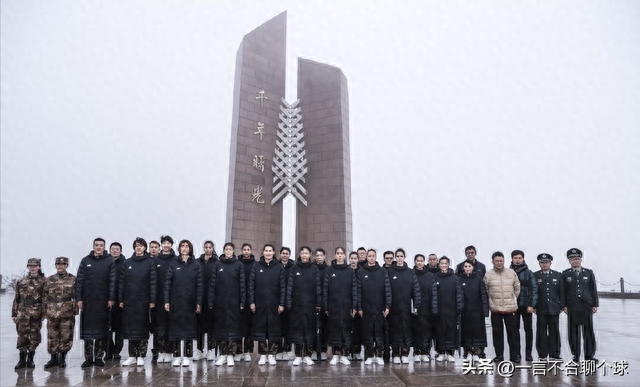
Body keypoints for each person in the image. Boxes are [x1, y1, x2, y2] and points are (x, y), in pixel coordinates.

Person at [76, 238, 116, 368]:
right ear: (93, 246)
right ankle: (88, 358)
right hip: (88, 301)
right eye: (96, 245)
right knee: (88, 332)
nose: (98, 247)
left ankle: (99, 357)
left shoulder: (109, 261)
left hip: (103, 301)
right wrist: (79, 299)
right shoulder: (85, 261)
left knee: (101, 331)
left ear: (104, 247)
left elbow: (112, 281)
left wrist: (111, 298)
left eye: (101, 245)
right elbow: (79, 281)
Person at [119, 238, 156, 367]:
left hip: (143, 301)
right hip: (129, 300)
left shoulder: (150, 262)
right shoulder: (127, 263)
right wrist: (121, 299)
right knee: (130, 329)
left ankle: (141, 355)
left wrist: (152, 300)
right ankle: (132, 355)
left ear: (145, 248)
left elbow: (153, 282)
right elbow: (121, 283)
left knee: (142, 329)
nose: (139, 248)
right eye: (137, 246)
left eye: (141, 246)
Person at [165, 239, 202, 367]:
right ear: (179, 248)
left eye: (187, 246)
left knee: (189, 330)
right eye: (182, 246)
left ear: (190, 249)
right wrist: (167, 301)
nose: (185, 248)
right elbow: (167, 284)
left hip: (190, 302)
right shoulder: (173, 264)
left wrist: (198, 302)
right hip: (175, 301)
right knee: (175, 330)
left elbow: (199, 285)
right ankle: (176, 356)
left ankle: (186, 356)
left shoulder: (196, 265)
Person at [209, 242, 245, 367]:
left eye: (230, 249)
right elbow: (212, 284)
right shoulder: (217, 264)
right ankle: (222, 354)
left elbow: (242, 284)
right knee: (221, 330)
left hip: (234, 303)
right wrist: (211, 300)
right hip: (220, 302)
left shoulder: (239, 265)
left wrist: (242, 301)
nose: (228, 251)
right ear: (223, 251)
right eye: (226, 249)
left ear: (233, 251)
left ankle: (231, 355)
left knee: (233, 330)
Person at [250, 244, 285, 366]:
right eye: (266, 251)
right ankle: (263, 355)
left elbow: (282, 287)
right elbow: (251, 286)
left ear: (274, 253)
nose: (268, 253)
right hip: (260, 304)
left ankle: (271, 354)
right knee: (261, 330)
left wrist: (281, 303)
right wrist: (252, 302)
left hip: (274, 304)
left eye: (270, 251)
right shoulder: (256, 266)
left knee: (273, 330)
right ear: (263, 252)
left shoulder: (279, 267)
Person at [286, 246, 321, 366]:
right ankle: (297, 355)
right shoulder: (293, 268)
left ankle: (307, 355)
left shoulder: (314, 269)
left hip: (310, 306)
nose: (305, 255)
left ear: (310, 254)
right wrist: (289, 303)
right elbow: (289, 287)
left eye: (307, 253)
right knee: (297, 331)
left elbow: (318, 287)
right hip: (297, 306)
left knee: (309, 331)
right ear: (300, 254)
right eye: (302, 253)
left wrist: (318, 303)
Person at [562, 248, 598, 362]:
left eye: (577, 258)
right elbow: (563, 291)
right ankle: (575, 355)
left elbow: (593, 289)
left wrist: (595, 304)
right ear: (569, 261)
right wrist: (564, 305)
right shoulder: (565, 274)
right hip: (572, 306)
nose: (575, 261)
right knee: (573, 332)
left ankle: (589, 355)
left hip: (586, 306)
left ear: (581, 259)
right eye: (572, 259)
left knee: (588, 331)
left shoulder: (588, 272)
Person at [484, 251, 520, 363]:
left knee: (513, 334)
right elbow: (485, 291)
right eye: (497, 261)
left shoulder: (511, 272)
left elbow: (517, 288)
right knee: (497, 335)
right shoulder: (488, 275)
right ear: (493, 262)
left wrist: (512, 299)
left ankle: (515, 355)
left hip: (510, 309)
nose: (499, 263)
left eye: (501, 261)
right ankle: (499, 355)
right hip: (496, 310)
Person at [357, 249, 391, 366]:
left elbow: (387, 290)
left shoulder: (382, 272)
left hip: (380, 308)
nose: (371, 258)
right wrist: (359, 307)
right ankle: (370, 355)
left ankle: (379, 355)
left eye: (373, 256)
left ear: (376, 257)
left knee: (379, 333)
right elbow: (358, 291)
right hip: (366, 308)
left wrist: (387, 306)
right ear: (366, 257)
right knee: (368, 333)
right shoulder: (361, 272)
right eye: (369, 256)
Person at [43, 256, 77, 369]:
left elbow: (76, 296)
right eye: (58, 264)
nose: (60, 266)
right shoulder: (49, 280)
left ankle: (62, 358)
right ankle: (53, 359)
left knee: (66, 336)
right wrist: (44, 311)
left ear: (67, 265)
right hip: (52, 312)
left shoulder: (73, 279)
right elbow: (44, 296)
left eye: (63, 264)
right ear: (55, 265)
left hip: (67, 312)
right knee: (52, 335)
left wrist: (74, 311)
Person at [324, 247, 357, 365]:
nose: (339, 255)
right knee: (334, 331)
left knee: (346, 331)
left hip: (346, 306)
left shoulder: (350, 271)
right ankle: (335, 355)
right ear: (335, 255)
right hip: (333, 306)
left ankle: (344, 355)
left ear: (344, 256)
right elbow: (325, 289)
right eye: (337, 253)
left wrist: (354, 306)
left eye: (341, 253)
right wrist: (326, 306)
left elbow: (354, 289)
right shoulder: (329, 270)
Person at [388, 248, 421, 364]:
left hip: (407, 307)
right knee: (395, 330)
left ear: (404, 257)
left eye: (401, 256)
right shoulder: (390, 272)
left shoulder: (410, 272)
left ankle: (405, 353)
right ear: (395, 258)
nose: (399, 258)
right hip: (394, 307)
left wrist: (416, 305)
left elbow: (416, 289)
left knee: (406, 330)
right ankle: (396, 353)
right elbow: (387, 289)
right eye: (398, 256)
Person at [12, 258, 46, 370]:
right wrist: (14, 313)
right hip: (22, 312)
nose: (33, 268)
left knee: (34, 336)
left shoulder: (44, 281)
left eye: (35, 266)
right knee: (22, 336)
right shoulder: (21, 281)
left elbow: (45, 299)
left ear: (39, 267)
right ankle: (22, 360)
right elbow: (17, 298)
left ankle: (30, 359)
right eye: (30, 266)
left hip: (36, 312)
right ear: (28, 267)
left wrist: (44, 313)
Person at [432, 256, 463, 362]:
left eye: (445, 264)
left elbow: (459, 293)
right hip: (439, 310)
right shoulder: (435, 277)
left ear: (448, 265)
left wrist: (459, 308)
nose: (443, 266)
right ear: (439, 265)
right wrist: (434, 308)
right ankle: (441, 352)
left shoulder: (454, 278)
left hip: (451, 309)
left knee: (451, 331)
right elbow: (433, 294)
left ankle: (450, 352)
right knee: (440, 331)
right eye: (442, 264)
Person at [533, 253, 564, 362]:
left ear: (550, 263)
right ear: (539, 263)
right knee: (541, 331)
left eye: (546, 262)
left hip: (554, 308)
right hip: (541, 308)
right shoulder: (535, 275)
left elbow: (561, 292)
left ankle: (554, 354)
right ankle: (542, 354)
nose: (544, 264)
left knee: (554, 331)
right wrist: (534, 306)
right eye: (542, 262)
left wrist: (561, 305)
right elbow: (533, 292)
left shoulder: (557, 275)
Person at [151, 235, 176, 363]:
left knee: (170, 326)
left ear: (171, 245)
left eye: (168, 243)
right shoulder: (155, 261)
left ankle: (169, 351)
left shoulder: (176, 260)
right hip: (159, 298)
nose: (166, 245)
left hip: (173, 298)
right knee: (159, 327)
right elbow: (153, 281)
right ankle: (160, 351)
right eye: (164, 243)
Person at [510, 249, 538, 361]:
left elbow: (534, 289)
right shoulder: (508, 272)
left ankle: (528, 353)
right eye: (515, 258)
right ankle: (516, 354)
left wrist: (532, 304)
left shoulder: (528, 272)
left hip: (526, 306)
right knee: (514, 331)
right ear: (512, 259)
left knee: (528, 330)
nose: (517, 260)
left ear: (523, 259)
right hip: (513, 307)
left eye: (519, 258)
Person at [459, 260, 489, 361]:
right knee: (466, 331)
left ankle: (477, 351)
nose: (467, 268)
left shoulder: (479, 279)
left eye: (469, 266)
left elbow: (483, 295)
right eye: (466, 266)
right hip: (464, 311)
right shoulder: (459, 279)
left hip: (477, 310)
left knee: (477, 331)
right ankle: (467, 351)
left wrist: (485, 310)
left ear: (473, 268)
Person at [194, 240, 218, 361]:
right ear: (203, 248)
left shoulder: (217, 262)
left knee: (211, 325)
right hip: (200, 297)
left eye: (210, 247)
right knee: (199, 325)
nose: (208, 249)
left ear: (213, 248)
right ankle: (199, 349)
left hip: (212, 298)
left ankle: (210, 349)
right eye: (206, 247)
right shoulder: (198, 262)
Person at [412, 254, 435, 362]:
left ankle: (426, 351)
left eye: (421, 261)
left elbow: (433, 292)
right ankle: (417, 351)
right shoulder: (411, 274)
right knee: (416, 329)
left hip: (427, 306)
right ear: (415, 262)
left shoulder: (429, 275)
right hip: (415, 307)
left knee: (427, 330)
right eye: (418, 261)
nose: (420, 263)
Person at [107, 242, 125, 361]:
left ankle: (117, 351)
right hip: (107, 300)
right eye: (112, 249)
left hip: (120, 301)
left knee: (120, 328)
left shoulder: (125, 264)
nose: (114, 251)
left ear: (120, 251)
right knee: (107, 327)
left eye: (117, 249)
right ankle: (108, 351)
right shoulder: (106, 263)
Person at [238, 243, 256, 362]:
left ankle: (248, 351)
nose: (246, 251)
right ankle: (239, 351)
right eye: (244, 249)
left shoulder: (255, 264)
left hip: (250, 298)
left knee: (249, 326)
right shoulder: (237, 263)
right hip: (239, 298)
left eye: (248, 249)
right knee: (239, 326)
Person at [276, 246, 295, 360]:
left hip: (289, 300)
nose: (285, 255)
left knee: (288, 327)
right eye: (283, 253)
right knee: (278, 326)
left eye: (287, 253)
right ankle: (278, 350)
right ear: (280, 254)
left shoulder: (293, 267)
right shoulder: (276, 266)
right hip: (278, 300)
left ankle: (288, 349)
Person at [314, 248, 329, 361]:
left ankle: (323, 350)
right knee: (314, 327)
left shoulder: (328, 270)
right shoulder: (312, 268)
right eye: (317, 255)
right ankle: (314, 350)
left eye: (321, 255)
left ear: (324, 257)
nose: (319, 257)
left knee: (325, 328)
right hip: (314, 302)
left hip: (326, 303)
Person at [348, 251, 362, 360]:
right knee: (349, 329)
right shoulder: (346, 271)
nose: (353, 260)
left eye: (355, 258)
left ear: (358, 259)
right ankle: (348, 351)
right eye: (351, 258)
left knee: (358, 329)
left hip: (360, 304)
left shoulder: (361, 271)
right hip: (348, 303)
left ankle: (357, 351)